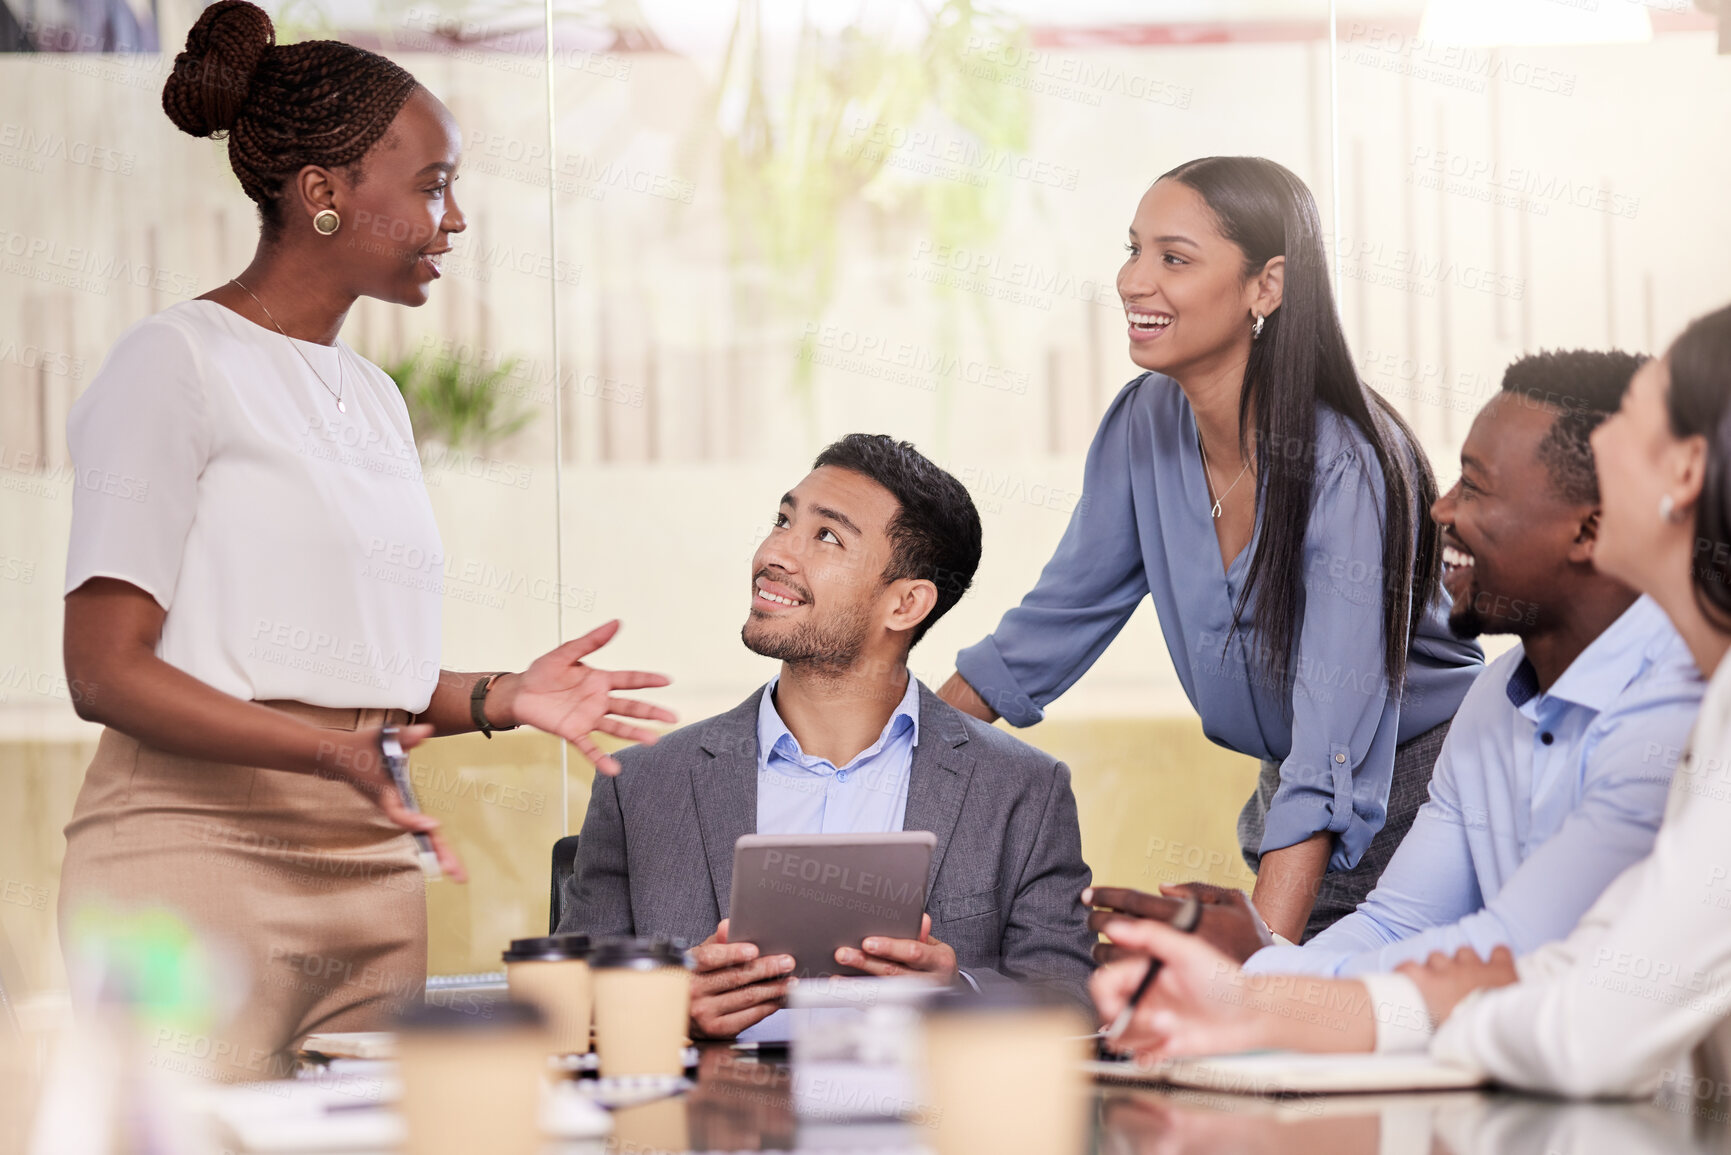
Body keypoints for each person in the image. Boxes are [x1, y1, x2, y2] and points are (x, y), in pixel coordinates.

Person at [58, 0, 673, 1080]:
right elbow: (104, 672)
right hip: (189, 857)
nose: (456, 220)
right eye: (433, 184)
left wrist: (502, 697)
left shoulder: (375, 398)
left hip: (375, 862)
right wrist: (328, 752)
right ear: (325, 193)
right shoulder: (174, 362)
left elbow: (351, 675)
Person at [1091, 303, 1731, 1100]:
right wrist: (1263, 979)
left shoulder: (1691, 712)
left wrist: (1279, 987)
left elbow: (1576, 1015)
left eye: (1630, 424)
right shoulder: (1513, 694)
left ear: (1682, 472)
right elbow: (1569, 966)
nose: (1438, 507)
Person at [938, 157, 1483, 942]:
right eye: (1131, 250)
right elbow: (1047, 628)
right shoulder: (1143, 423)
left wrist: (1262, 978)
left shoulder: (1345, 460)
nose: (1132, 281)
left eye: (1173, 258)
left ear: (1267, 285)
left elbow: (1333, 737)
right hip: (1294, 791)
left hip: (1419, 791)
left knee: (1278, 1025)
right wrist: (891, 750)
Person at [556, 435, 1096, 1039]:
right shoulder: (643, 786)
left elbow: (1069, 1000)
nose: (775, 552)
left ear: (905, 603)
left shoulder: (1023, 788)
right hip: (717, 1129)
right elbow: (562, 1001)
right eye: (782, 520)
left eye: (826, 536)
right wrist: (665, 1009)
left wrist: (955, 995)